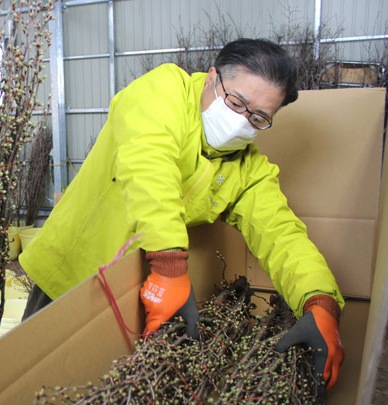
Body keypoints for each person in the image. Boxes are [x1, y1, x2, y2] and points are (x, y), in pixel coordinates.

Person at [19, 38, 344, 393]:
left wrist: (320, 301)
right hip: (72, 273)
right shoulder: (162, 91)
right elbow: (148, 165)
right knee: (35, 382)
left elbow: (283, 235)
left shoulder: (247, 169)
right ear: (211, 78)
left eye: (258, 118)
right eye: (236, 102)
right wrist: (170, 265)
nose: (241, 122)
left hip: (142, 290)